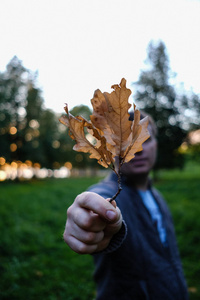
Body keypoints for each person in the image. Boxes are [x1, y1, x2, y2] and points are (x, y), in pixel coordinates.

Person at [63, 112, 189, 300]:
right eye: (125, 142)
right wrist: (93, 218)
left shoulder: (157, 197)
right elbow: (99, 200)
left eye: (144, 139)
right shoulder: (108, 192)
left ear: (156, 144)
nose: (137, 149)